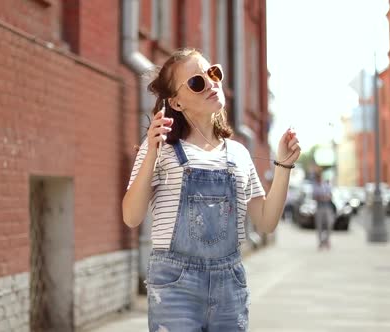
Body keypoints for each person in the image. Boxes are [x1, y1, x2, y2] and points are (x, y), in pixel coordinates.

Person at [122, 48, 300, 331]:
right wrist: (152, 153)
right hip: (174, 285)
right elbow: (131, 217)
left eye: (212, 72)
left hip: (230, 285)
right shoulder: (160, 149)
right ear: (176, 103)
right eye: (196, 82)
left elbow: (265, 222)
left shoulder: (240, 154)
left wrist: (283, 167)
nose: (211, 82)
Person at [313, 171, 334, 250]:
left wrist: (323, 197)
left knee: (329, 223)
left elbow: (330, 195)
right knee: (319, 226)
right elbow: (315, 196)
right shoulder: (315, 186)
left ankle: (327, 240)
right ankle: (320, 242)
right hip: (319, 207)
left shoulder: (326, 185)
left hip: (327, 207)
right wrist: (324, 197)